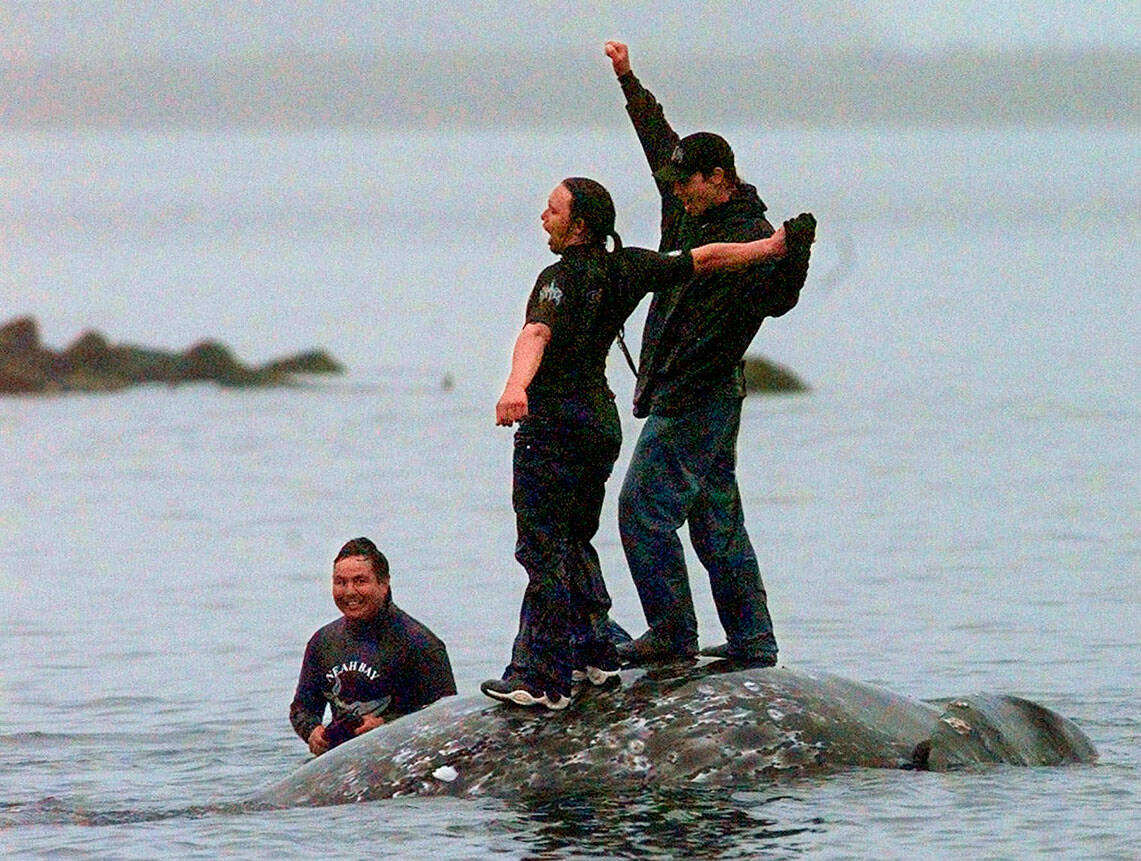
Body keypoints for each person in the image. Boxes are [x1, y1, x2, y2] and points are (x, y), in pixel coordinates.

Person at [480, 176, 814, 710]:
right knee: (576, 540)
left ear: (580, 225)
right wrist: (770, 247)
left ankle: (540, 676)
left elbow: (535, 334)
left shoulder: (556, 280)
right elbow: (703, 259)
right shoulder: (627, 267)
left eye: (553, 210)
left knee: (542, 549)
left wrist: (516, 386)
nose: (543, 217)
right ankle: (595, 657)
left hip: (555, 428)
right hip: (599, 424)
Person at [603, 40, 816, 669]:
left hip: (700, 393)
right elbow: (656, 137)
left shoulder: (754, 235)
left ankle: (671, 632)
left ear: (717, 179)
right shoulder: (685, 198)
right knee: (715, 519)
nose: (677, 195)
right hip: (697, 392)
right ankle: (753, 642)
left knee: (642, 508)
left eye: (687, 186)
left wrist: (795, 252)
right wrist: (628, 80)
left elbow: (779, 302)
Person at [290, 537, 456, 755]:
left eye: (360, 581)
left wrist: (387, 725)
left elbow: (447, 718)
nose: (349, 592)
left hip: (405, 759)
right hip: (344, 761)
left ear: (384, 584)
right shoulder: (322, 643)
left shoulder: (420, 644)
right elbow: (302, 708)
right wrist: (312, 731)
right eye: (340, 582)